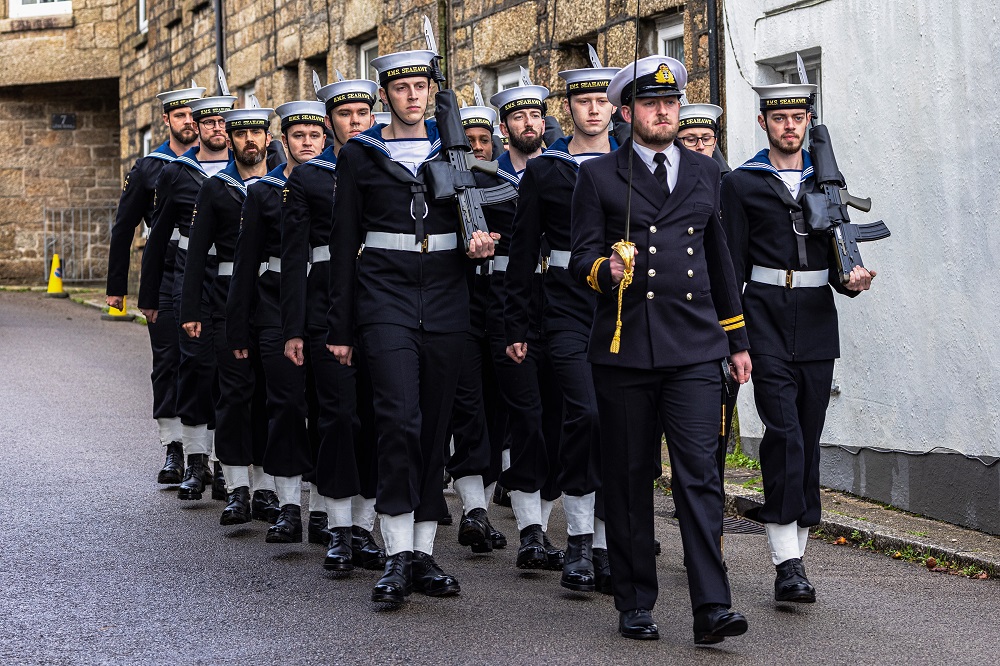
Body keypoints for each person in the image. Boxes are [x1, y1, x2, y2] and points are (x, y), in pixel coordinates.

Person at [569, 55, 751, 643]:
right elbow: (580, 258)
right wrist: (605, 270)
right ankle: (635, 601)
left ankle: (712, 607)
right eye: (651, 104)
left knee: (700, 476)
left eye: (670, 103)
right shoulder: (599, 176)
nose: (664, 112)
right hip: (626, 351)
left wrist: (737, 340)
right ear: (627, 113)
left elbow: (719, 260)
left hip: (695, 347)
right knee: (628, 479)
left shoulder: (705, 171)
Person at [325, 49, 496, 604]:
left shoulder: (454, 149)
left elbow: (478, 220)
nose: (413, 95)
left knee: (434, 427)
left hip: (446, 299)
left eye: (421, 86)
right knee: (398, 419)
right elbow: (343, 243)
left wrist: (481, 245)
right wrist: (340, 328)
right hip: (384, 299)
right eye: (401, 88)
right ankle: (396, 554)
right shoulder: (360, 155)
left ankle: (423, 555)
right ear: (386, 96)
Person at [720, 83, 875, 604]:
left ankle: (798, 554)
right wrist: (733, 337)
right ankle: (787, 563)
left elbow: (838, 255)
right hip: (763, 317)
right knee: (783, 433)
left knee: (807, 436)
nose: (790, 125)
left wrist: (851, 279)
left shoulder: (826, 180)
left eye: (798, 117)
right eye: (780, 117)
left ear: (808, 121)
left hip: (815, 322)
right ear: (763, 122)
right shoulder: (741, 183)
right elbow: (731, 265)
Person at [503, 64, 620, 594]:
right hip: (565, 305)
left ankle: (605, 545)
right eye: (582, 101)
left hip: (624, 308)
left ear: (615, 107)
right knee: (584, 414)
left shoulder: (631, 162)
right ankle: (576, 539)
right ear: (568, 108)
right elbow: (523, 250)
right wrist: (517, 323)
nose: (593, 109)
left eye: (601, 101)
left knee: (617, 424)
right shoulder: (546, 169)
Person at [279, 79, 386, 570]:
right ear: (330, 123)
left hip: (383, 305)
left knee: (378, 418)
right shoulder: (310, 177)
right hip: (326, 309)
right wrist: (294, 328)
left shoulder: (389, 166)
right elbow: (294, 257)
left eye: (363, 113)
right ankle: (339, 528)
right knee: (339, 416)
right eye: (345, 115)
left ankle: (364, 527)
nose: (355, 121)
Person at [178, 99, 275, 524]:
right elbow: (197, 254)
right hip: (224, 301)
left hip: (272, 299)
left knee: (271, 396)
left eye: (256, 133)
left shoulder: (283, 183)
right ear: (231, 140)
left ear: (268, 138)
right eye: (241, 134)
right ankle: (237, 488)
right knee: (234, 395)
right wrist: (191, 309)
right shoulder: (216, 188)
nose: (249, 140)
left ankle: (268, 489)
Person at [138, 94, 237, 501]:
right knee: (194, 366)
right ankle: (196, 460)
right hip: (189, 278)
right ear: (196, 126)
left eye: (223, 121)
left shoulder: (251, 169)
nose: (217, 128)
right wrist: (149, 295)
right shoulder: (177, 172)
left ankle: (226, 463)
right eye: (208, 122)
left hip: (234, 279)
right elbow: (158, 236)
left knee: (230, 372)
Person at [486, 82, 566, 572]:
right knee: (527, 418)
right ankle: (530, 531)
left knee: (556, 420)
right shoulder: (483, 178)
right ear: (504, 128)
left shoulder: (561, 170)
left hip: (558, 302)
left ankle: (543, 524)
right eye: (518, 117)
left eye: (535, 115)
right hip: (506, 305)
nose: (529, 123)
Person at [106, 84, 203, 484]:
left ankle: (207, 453)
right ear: (167, 120)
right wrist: (116, 288)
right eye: (180, 115)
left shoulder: (220, 162)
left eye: (194, 115)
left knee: (205, 361)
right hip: (163, 273)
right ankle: (173, 447)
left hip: (208, 272)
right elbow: (124, 226)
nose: (189, 122)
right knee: (167, 360)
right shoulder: (149, 167)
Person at [444, 103, 509, 554]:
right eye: (467, 142)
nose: (477, 149)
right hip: (459, 306)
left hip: (500, 307)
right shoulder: (441, 184)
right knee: (467, 409)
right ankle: (473, 510)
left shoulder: (504, 184)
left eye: (484, 141)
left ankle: (481, 510)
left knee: (497, 412)